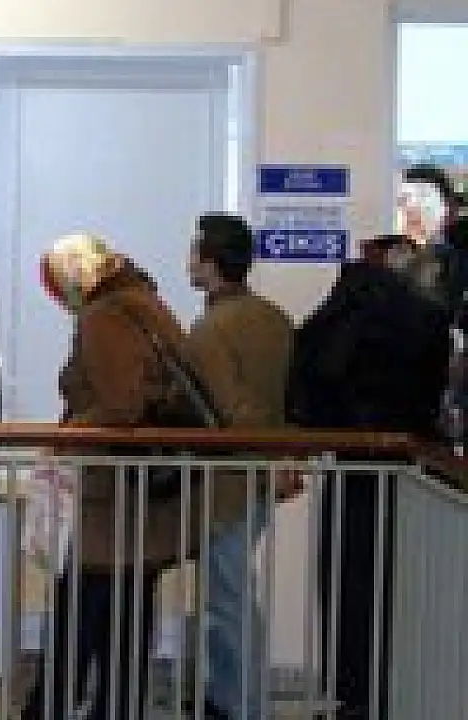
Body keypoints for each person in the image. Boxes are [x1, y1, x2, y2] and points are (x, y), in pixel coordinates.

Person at [23, 233, 224, 720]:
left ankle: (52, 706)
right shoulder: (144, 303)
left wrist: (68, 433)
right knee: (127, 615)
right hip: (142, 492)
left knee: (83, 610)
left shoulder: (104, 317)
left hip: (110, 495)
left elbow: (121, 406)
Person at [287, 239, 450, 720]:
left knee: (346, 582)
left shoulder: (341, 308)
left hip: (347, 462)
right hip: (403, 469)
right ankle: (389, 692)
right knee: (398, 585)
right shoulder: (423, 317)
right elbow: (429, 393)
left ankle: (351, 694)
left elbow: (309, 377)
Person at [185, 213, 294, 720]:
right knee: (230, 592)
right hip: (261, 474)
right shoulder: (275, 318)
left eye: (195, 252)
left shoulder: (210, 330)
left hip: (227, 476)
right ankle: (229, 696)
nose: (189, 260)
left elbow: (231, 410)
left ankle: (243, 704)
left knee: (228, 598)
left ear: (211, 263)